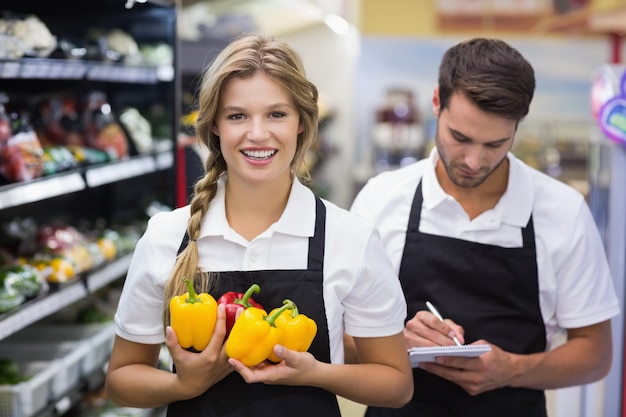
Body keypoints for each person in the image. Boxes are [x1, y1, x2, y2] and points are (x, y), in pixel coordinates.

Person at [104, 32, 413, 417]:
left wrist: (316, 373)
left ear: (302, 121)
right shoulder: (166, 237)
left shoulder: (348, 237)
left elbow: (396, 384)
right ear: (214, 125)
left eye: (276, 114)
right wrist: (182, 384)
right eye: (237, 116)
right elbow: (120, 380)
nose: (257, 134)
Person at [350, 37, 620, 417]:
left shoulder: (563, 212)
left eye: (495, 144)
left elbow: (595, 353)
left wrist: (512, 370)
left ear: (517, 127)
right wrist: (392, 341)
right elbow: (335, 334)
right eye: (460, 138)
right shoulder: (381, 199)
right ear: (436, 104)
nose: (474, 161)